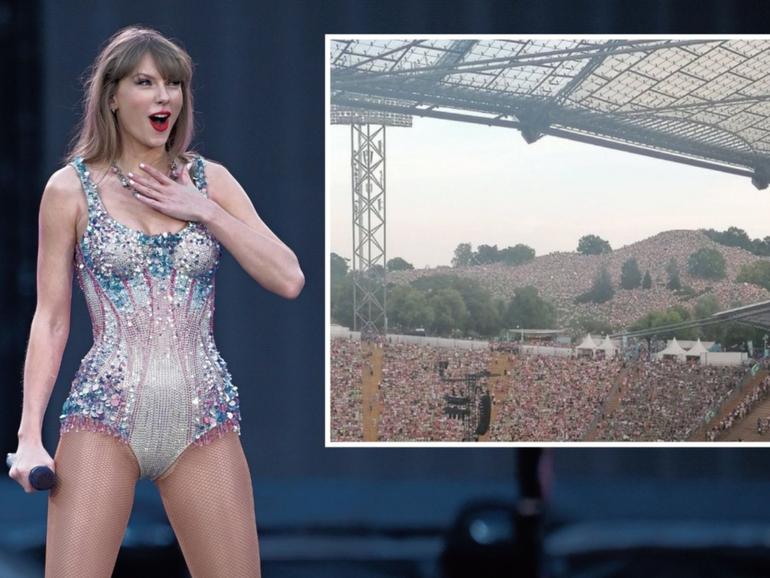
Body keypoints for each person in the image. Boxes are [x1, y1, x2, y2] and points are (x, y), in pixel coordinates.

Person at [9, 25, 304, 578]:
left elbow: (288, 277)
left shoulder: (209, 181)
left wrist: (206, 211)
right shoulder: (69, 189)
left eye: (173, 83)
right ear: (113, 97)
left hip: (203, 417)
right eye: (145, 82)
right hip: (106, 415)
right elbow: (50, 320)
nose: (164, 95)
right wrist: (29, 436)